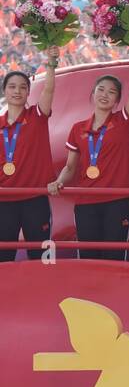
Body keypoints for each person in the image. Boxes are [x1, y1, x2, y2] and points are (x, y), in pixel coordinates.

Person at [48, 43, 129, 260]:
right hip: (85, 204)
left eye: (112, 92)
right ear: (92, 94)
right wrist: (59, 182)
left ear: (117, 100)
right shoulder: (77, 128)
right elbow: (70, 166)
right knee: (89, 258)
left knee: (114, 258)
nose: (105, 95)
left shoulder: (123, 121)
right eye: (101, 90)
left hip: (116, 202)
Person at [0, 47, 57, 262]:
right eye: (12, 87)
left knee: (43, 258)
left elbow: (49, 90)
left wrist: (51, 62)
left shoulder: (37, 116)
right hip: (3, 200)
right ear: (5, 91)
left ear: (28, 93)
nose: (17, 91)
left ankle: (47, 294)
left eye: (23, 87)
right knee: (3, 258)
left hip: (36, 199)